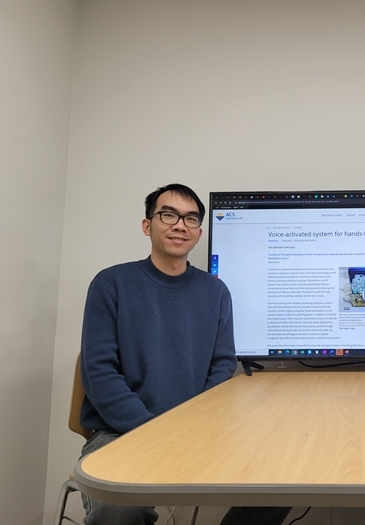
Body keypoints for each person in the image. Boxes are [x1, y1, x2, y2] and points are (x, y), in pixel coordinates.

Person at [78, 183, 292, 525]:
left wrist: (192, 427)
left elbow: (222, 365)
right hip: (121, 432)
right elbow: (99, 372)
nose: (180, 225)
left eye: (191, 219)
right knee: (116, 508)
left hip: (197, 431)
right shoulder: (111, 284)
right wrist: (155, 432)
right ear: (147, 225)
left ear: (199, 233)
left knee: (285, 475)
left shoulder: (215, 291)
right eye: (169, 215)